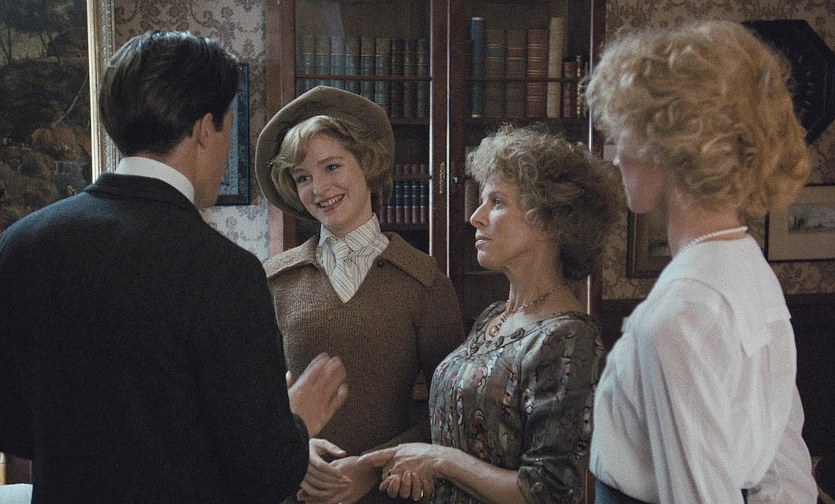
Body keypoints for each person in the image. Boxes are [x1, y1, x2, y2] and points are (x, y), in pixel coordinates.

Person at [0, 31, 349, 503]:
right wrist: (297, 420)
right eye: (228, 127)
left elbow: (14, 428)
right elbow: (263, 474)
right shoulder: (224, 271)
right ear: (205, 129)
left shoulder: (20, 244)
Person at [583, 20, 818, 503]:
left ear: (669, 148)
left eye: (625, 133)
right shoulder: (748, 269)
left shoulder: (680, 316)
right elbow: (787, 474)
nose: (616, 157)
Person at [357, 124, 621, 504]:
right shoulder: (492, 317)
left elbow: (545, 491)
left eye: (496, 202)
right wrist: (419, 471)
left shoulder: (568, 337)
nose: (475, 217)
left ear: (550, 220)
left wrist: (439, 461)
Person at [253, 85, 465, 504]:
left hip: (389, 492)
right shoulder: (274, 281)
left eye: (332, 167)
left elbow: (450, 414)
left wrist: (371, 468)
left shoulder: (423, 282)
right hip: (297, 493)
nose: (319, 189)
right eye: (303, 177)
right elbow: (251, 405)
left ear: (367, 164)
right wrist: (294, 448)